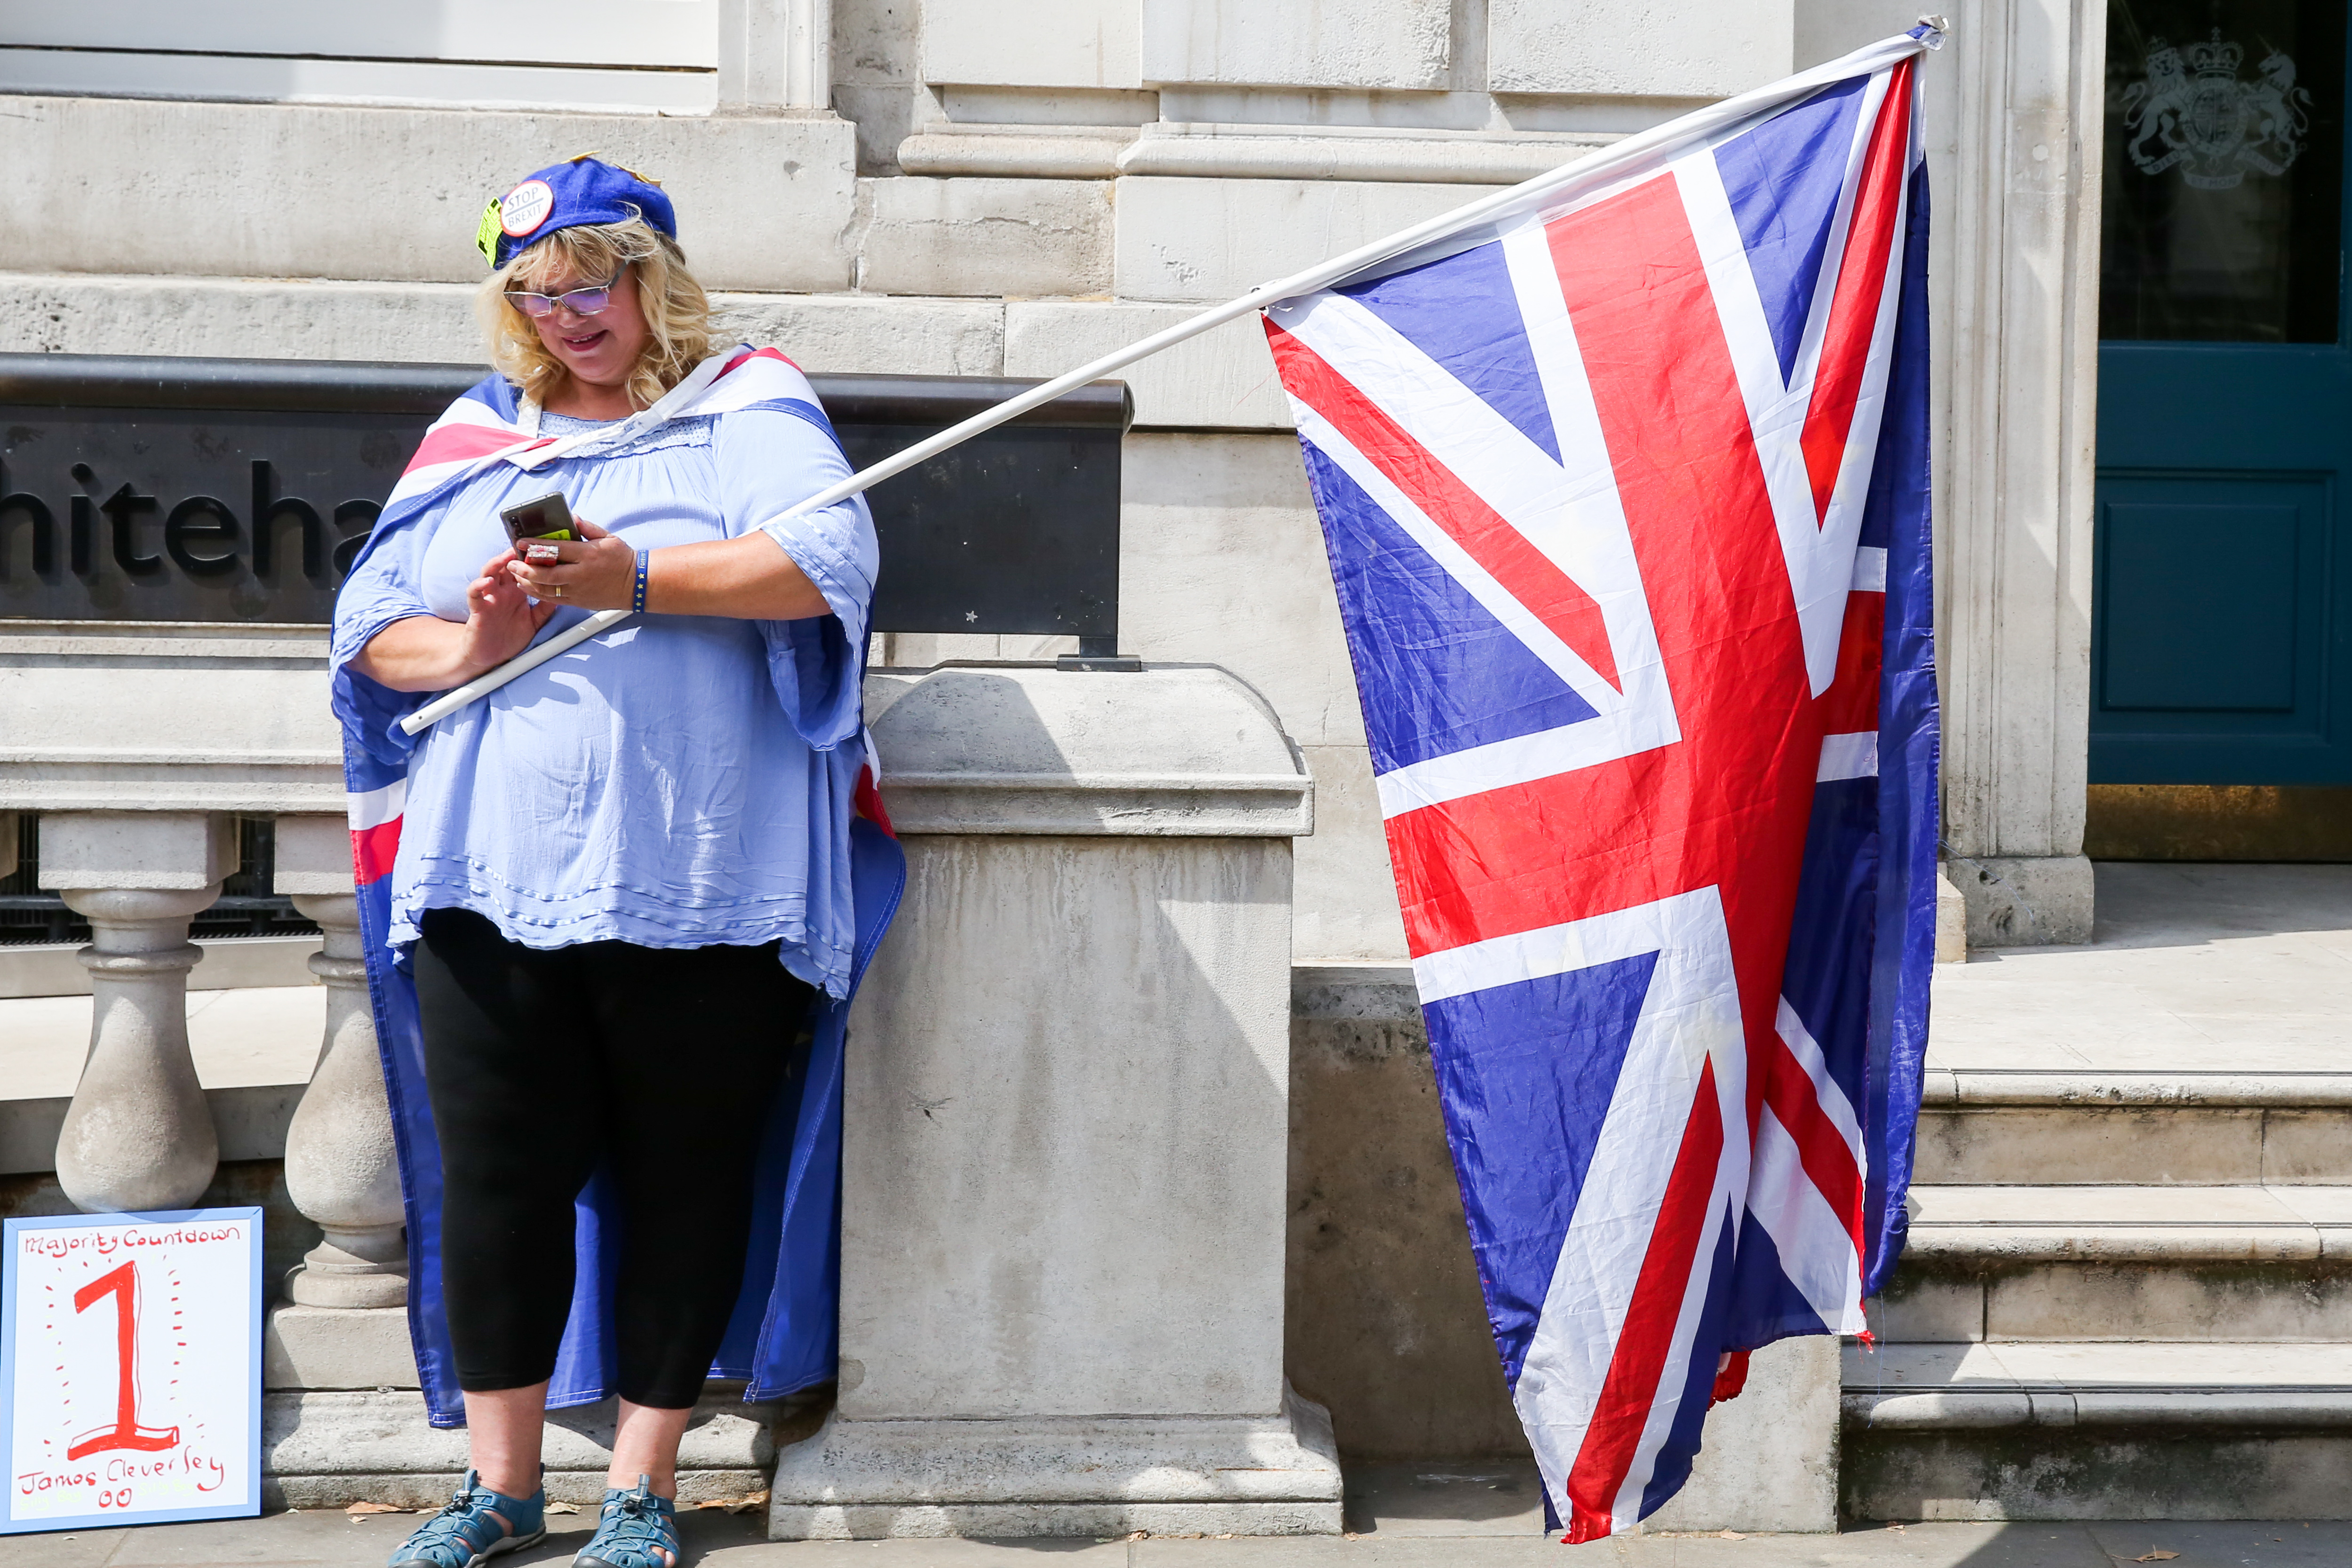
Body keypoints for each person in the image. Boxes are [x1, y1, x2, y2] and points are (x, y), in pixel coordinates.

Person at [331, 155, 881, 1568]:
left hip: (703, 870)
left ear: (653, 281)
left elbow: (826, 560)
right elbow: (367, 624)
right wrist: (477, 645)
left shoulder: (746, 404)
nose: (567, 318)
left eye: (591, 287)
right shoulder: (478, 435)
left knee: (682, 1176)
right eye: (538, 295)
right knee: (499, 1179)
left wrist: (630, 578)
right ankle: (498, 1489)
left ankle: (640, 1489)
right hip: (486, 873)